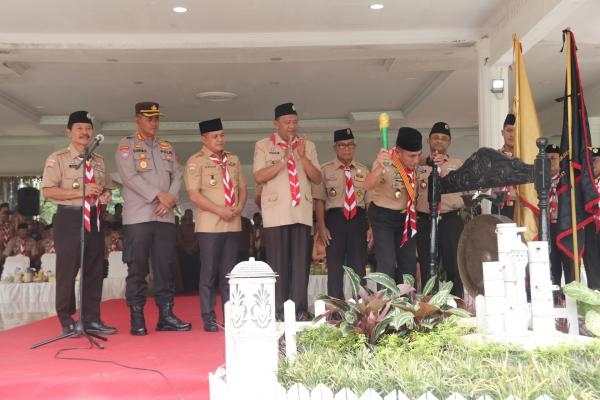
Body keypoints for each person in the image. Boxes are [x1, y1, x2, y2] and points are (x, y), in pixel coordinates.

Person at [115, 101, 191, 336]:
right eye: (149, 118)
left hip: (165, 217)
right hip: (139, 217)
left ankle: (166, 316)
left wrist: (169, 199)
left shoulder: (166, 147)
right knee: (137, 268)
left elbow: (178, 174)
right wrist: (158, 195)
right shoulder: (126, 146)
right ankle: (137, 317)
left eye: (157, 118)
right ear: (137, 119)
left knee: (165, 267)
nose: (154, 122)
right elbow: (129, 177)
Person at [41, 110, 116, 335]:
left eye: (88, 128)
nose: (85, 133)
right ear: (69, 132)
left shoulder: (99, 160)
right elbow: (48, 191)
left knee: (94, 269)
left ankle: (91, 319)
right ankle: (66, 320)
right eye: (79, 129)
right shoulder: (59, 158)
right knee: (68, 269)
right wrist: (81, 194)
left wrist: (105, 196)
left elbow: (109, 187)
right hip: (70, 217)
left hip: (94, 217)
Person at [253, 102, 321, 320]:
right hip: (276, 213)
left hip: (301, 211)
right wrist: (284, 159)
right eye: (287, 122)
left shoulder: (307, 145)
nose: (292, 126)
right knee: (278, 263)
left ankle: (300, 309)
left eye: (294, 122)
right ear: (276, 124)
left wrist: (302, 156)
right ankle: (279, 310)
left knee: (301, 263)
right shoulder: (263, 145)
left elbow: (317, 177)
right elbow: (259, 176)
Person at [184, 118, 247, 331]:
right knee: (209, 272)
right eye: (215, 136)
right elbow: (193, 194)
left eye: (222, 135)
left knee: (229, 274)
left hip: (232, 224)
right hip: (210, 225)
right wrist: (219, 210)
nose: (220, 139)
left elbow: (243, 189)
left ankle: (230, 316)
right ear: (204, 138)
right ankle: (208, 317)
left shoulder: (234, 160)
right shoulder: (196, 161)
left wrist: (239, 206)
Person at [314, 128, 372, 299]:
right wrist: (322, 227)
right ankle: (335, 309)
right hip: (335, 220)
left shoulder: (363, 170)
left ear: (354, 147)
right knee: (334, 266)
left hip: (358, 220)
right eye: (342, 145)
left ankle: (360, 307)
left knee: (359, 266)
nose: (346, 149)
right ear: (335, 148)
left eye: (349, 145)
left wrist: (371, 227)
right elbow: (319, 200)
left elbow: (369, 202)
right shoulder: (325, 170)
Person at [364, 127, 422, 283]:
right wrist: (380, 167)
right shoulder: (386, 160)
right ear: (399, 151)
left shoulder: (415, 165)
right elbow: (367, 185)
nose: (416, 160)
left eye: (418, 155)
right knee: (387, 264)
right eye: (411, 156)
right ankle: (385, 306)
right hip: (383, 217)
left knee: (408, 266)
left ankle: (406, 305)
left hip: (406, 217)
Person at [415, 122, 465, 296]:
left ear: (449, 142)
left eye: (444, 139)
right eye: (435, 137)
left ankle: (457, 306)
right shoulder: (418, 165)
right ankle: (429, 308)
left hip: (450, 219)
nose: (439, 141)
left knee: (454, 264)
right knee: (428, 265)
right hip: (425, 220)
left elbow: (469, 192)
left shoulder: (458, 164)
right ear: (428, 140)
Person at [546, 144, 574, 287]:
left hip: (563, 225)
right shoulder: (542, 182)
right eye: (548, 158)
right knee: (552, 263)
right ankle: (556, 296)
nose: (551, 161)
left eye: (554, 158)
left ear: (560, 159)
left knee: (568, 261)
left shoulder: (566, 180)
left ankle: (571, 296)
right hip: (548, 226)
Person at [491, 113, 517, 218]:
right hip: (497, 206)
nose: (512, 135)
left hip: (519, 207)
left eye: (516, 131)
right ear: (502, 132)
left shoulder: (526, 158)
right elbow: (483, 187)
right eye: (509, 130)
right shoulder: (493, 157)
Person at [583, 146, 600, 289]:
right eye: (590, 162)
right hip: (590, 226)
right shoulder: (586, 184)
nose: (592, 165)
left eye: (595, 161)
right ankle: (595, 294)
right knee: (591, 260)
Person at [176, 209, 199, 293]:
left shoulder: (195, 225)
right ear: (185, 216)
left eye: (190, 214)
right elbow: (179, 239)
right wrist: (186, 248)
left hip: (195, 251)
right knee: (185, 270)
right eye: (188, 215)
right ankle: (187, 288)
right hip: (184, 251)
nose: (189, 216)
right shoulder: (180, 227)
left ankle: (196, 287)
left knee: (195, 269)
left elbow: (198, 238)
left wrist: (192, 247)